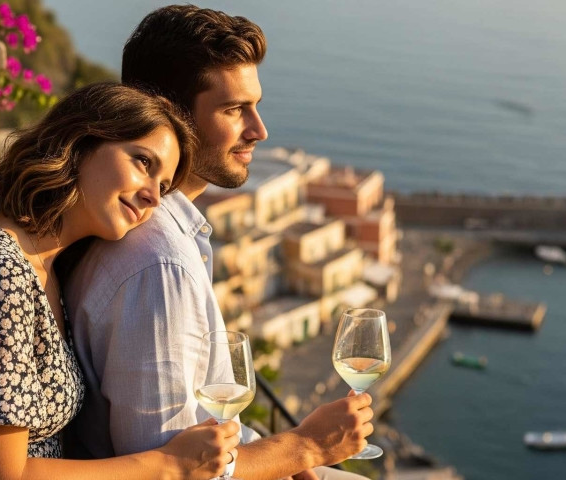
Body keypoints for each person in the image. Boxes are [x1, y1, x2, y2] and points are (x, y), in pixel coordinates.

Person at [62, 6, 374, 480]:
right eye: (234, 110)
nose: (259, 130)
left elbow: (202, 436)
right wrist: (305, 447)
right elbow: (168, 464)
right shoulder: (159, 263)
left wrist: (281, 459)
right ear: (170, 116)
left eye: (256, 105)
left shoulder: (151, 230)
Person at [0, 83, 242, 480]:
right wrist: (168, 463)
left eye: (164, 185)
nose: (155, 197)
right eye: (142, 162)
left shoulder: (43, 266)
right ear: (80, 142)